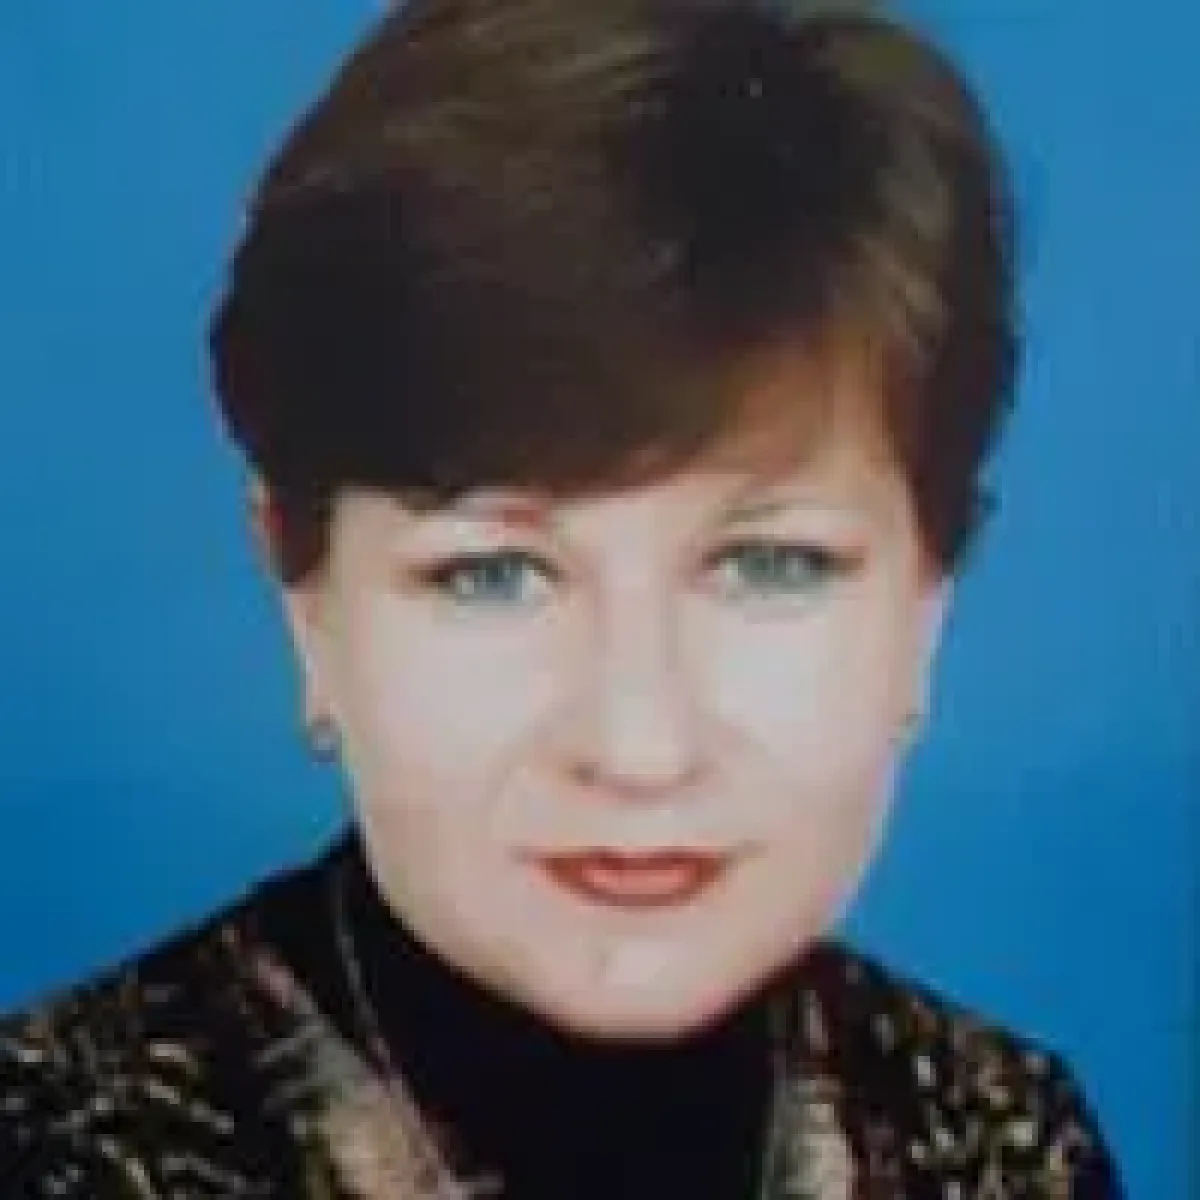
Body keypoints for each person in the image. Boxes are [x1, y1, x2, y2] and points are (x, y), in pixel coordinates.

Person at [0, 0, 1125, 1195]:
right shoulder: (51, 1148)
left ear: (928, 603)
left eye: (771, 565)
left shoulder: (1006, 1141)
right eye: (491, 575)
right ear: (305, 597)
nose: (639, 749)